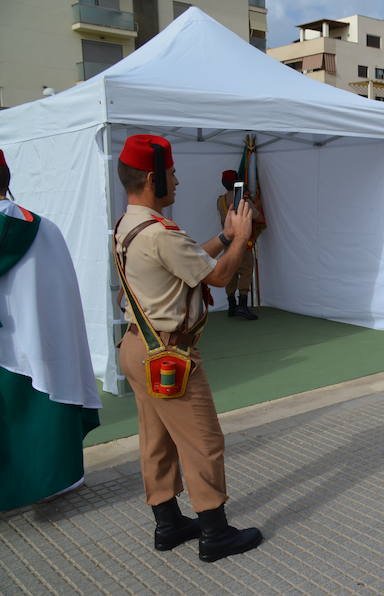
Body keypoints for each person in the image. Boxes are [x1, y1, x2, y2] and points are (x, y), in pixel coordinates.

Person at [114, 134, 262, 561]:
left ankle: (168, 523)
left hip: (137, 346)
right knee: (202, 441)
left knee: (155, 438)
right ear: (151, 177)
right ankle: (215, 533)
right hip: (169, 355)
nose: (176, 182)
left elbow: (191, 262)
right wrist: (239, 239)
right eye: (172, 174)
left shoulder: (130, 224)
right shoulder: (161, 232)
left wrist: (221, 235)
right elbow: (216, 277)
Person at [0, 149, 101, 512]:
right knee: (40, 418)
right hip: (39, 353)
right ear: (7, 178)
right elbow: (62, 300)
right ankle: (49, 485)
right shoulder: (43, 229)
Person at [216, 170, 263, 320]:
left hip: (227, 241)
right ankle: (242, 306)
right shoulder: (243, 200)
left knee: (231, 272)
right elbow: (257, 216)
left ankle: (232, 305)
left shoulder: (220, 200)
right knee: (246, 271)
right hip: (242, 241)